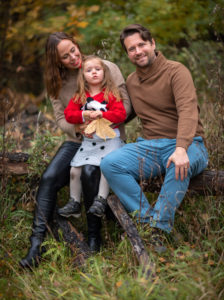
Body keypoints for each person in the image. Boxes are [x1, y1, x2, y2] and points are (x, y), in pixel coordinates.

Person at [19, 32, 131, 268]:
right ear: (56, 61)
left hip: (107, 137)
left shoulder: (104, 67)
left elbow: (127, 107)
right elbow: (61, 118)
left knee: (90, 171)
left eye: (73, 49)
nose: (73, 56)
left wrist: (100, 122)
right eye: (65, 56)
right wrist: (79, 128)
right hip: (77, 139)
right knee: (49, 177)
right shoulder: (56, 82)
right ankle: (36, 246)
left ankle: (94, 237)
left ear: (77, 45)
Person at [101, 24, 208, 248]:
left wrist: (181, 149)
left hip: (189, 144)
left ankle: (158, 229)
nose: (138, 51)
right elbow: (126, 114)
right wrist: (96, 122)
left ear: (152, 44)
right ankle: (148, 221)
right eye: (131, 49)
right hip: (150, 146)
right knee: (110, 163)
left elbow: (188, 110)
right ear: (127, 54)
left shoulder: (176, 71)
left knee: (177, 165)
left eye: (142, 44)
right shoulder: (131, 81)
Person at [57, 55, 126, 219]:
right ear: (83, 76)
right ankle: (74, 203)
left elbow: (121, 114)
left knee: (106, 167)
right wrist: (84, 114)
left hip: (110, 140)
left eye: (97, 69)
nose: (94, 73)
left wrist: (103, 115)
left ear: (104, 72)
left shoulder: (110, 94)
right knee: (75, 169)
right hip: (90, 142)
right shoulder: (80, 96)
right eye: (89, 70)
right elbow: (68, 115)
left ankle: (101, 200)